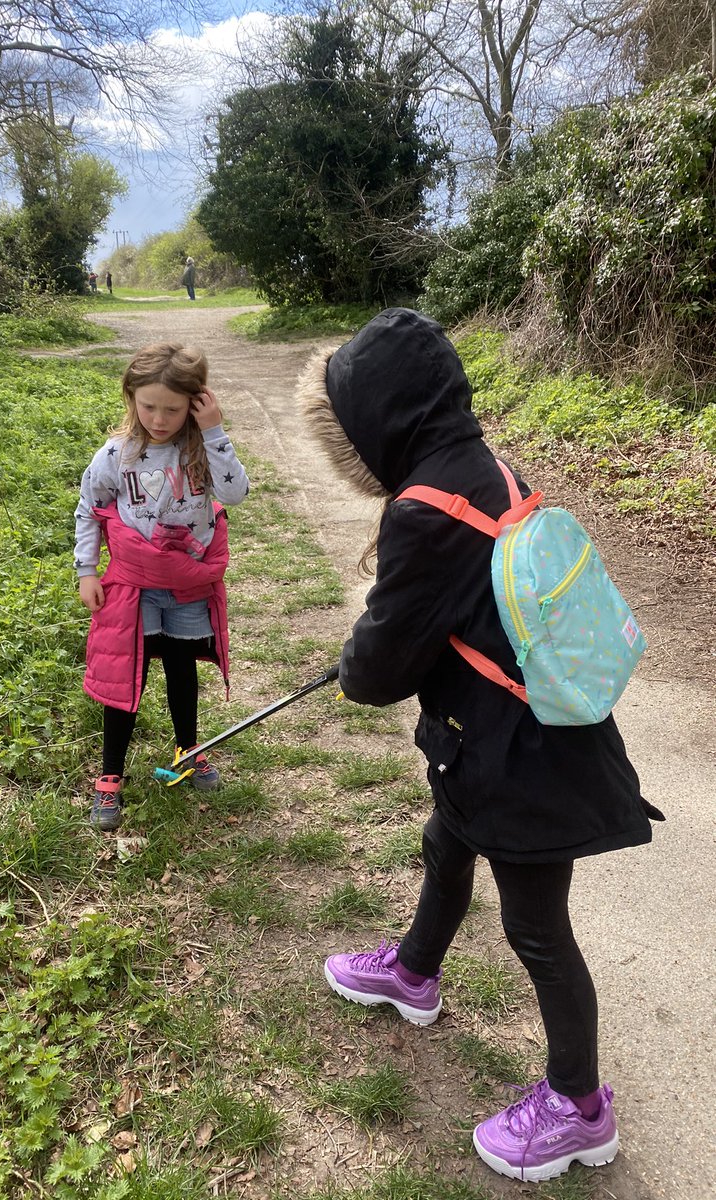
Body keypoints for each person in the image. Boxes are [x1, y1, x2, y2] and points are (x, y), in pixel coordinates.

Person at [294, 308, 663, 1184]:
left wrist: (350, 662)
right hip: (491, 735)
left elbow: (383, 663)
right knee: (443, 843)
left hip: (521, 758)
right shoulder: (484, 465)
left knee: (537, 929)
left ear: (381, 418)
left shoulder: (424, 510)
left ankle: (578, 1107)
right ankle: (414, 973)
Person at [75, 342, 250, 831]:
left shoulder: (201, 448)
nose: (158, 417)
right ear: (130, 398)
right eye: (147, 405)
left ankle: (188, 749)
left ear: (196, 403)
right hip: (134, 584)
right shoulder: (117, 453)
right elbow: (90, 508)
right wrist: (86, 570)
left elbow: (235, 493)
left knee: (180, 665)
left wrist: (213, 431)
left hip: (186, 583)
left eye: (172, 409)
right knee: (123, 677)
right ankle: (110, 775)